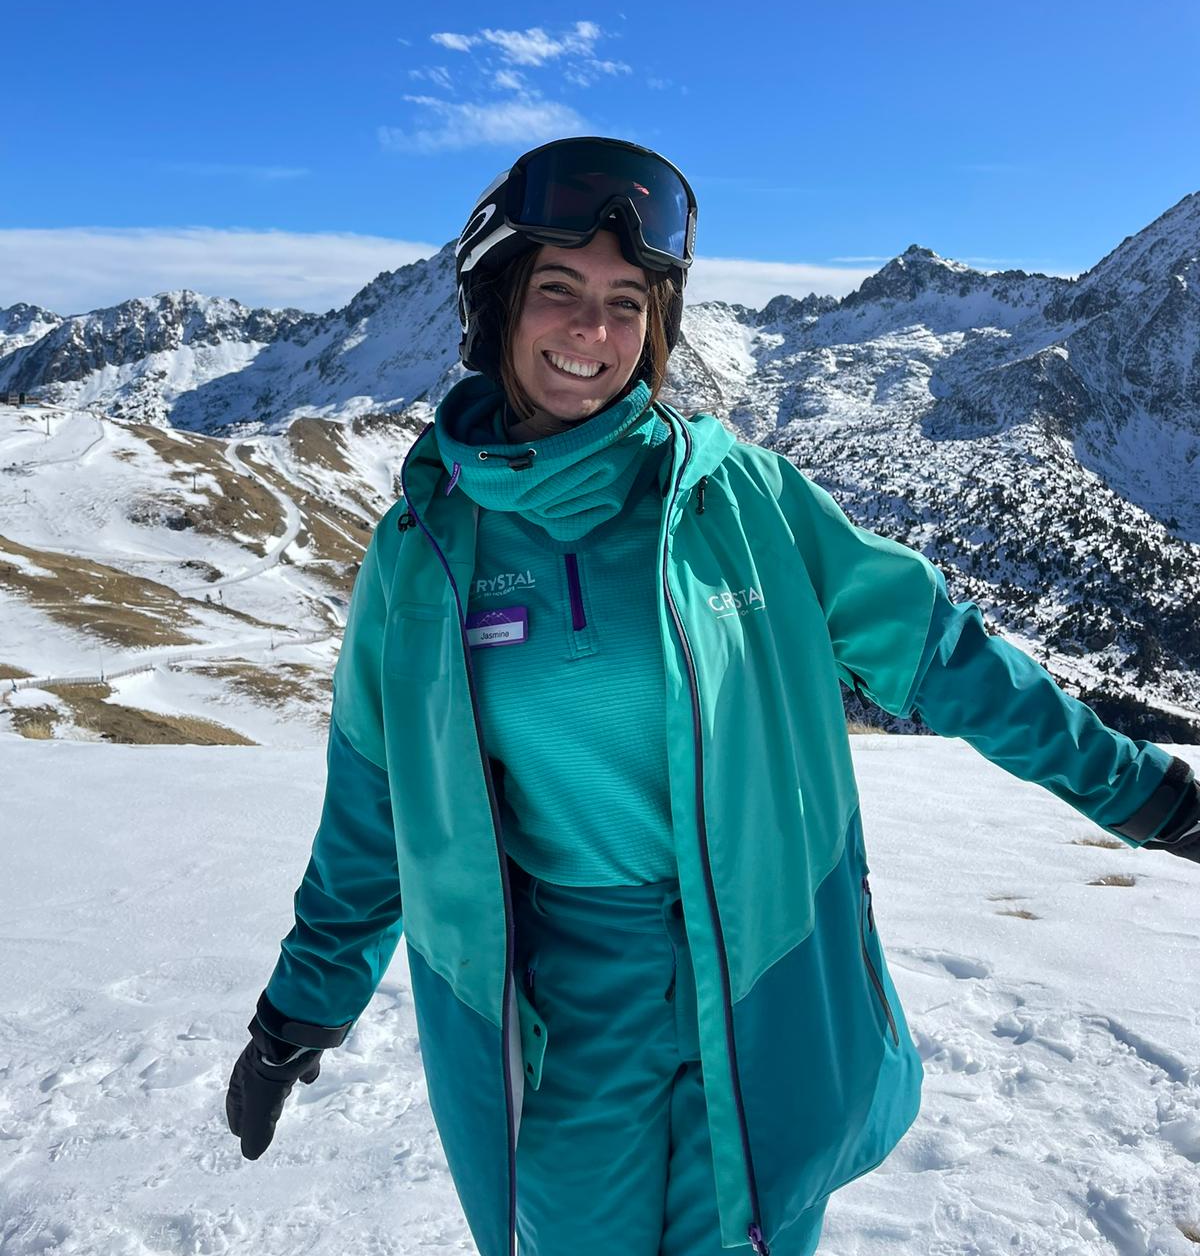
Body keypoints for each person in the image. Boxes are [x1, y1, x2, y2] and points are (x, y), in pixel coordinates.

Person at [226, 136, 1200, 1256]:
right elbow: (378, 808)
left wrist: (1148, 794)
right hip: (559, 1020)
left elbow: (943, 655)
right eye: (559, 290)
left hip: (764, 981)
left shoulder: (741, 499)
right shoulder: (425, 554)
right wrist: (298, 1012)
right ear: (497, 303)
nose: (592, 333)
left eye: (626, 301)